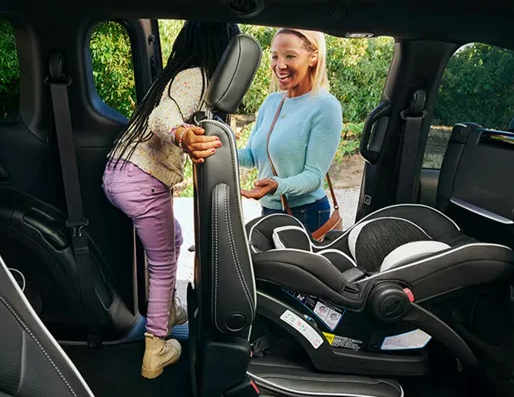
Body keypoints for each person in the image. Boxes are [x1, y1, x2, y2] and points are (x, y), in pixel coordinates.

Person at [102, 21, 241, 379]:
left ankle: (168, 310)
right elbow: (161, 117)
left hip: (121, 176)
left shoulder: (179, 73)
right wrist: (183, 135)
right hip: (142, 181)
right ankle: (156, 348)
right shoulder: (196, 75)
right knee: (163, 263)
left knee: (174, 237)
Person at [238, 28, 343, 233]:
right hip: (268, 211)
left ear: (313, 57)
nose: (280, 65)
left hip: (307, 213)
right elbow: (251, 156)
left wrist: (277, 186)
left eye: (290, 56)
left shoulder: (325, 106)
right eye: (275, 56)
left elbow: (313, 176)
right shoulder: (272, 101)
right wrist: (216, 145)